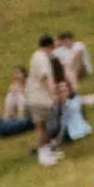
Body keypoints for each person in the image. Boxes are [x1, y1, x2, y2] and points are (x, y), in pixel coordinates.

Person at [25, 35, 63, 165]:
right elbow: (45, 77)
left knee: (43, 126)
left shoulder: (37, 55)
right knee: (41, 127)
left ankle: (47, 152)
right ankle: (43, 155)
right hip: (39, 97)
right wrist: (53, 94)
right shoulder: (41, 58)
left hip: (35, 97)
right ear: (49, 46)